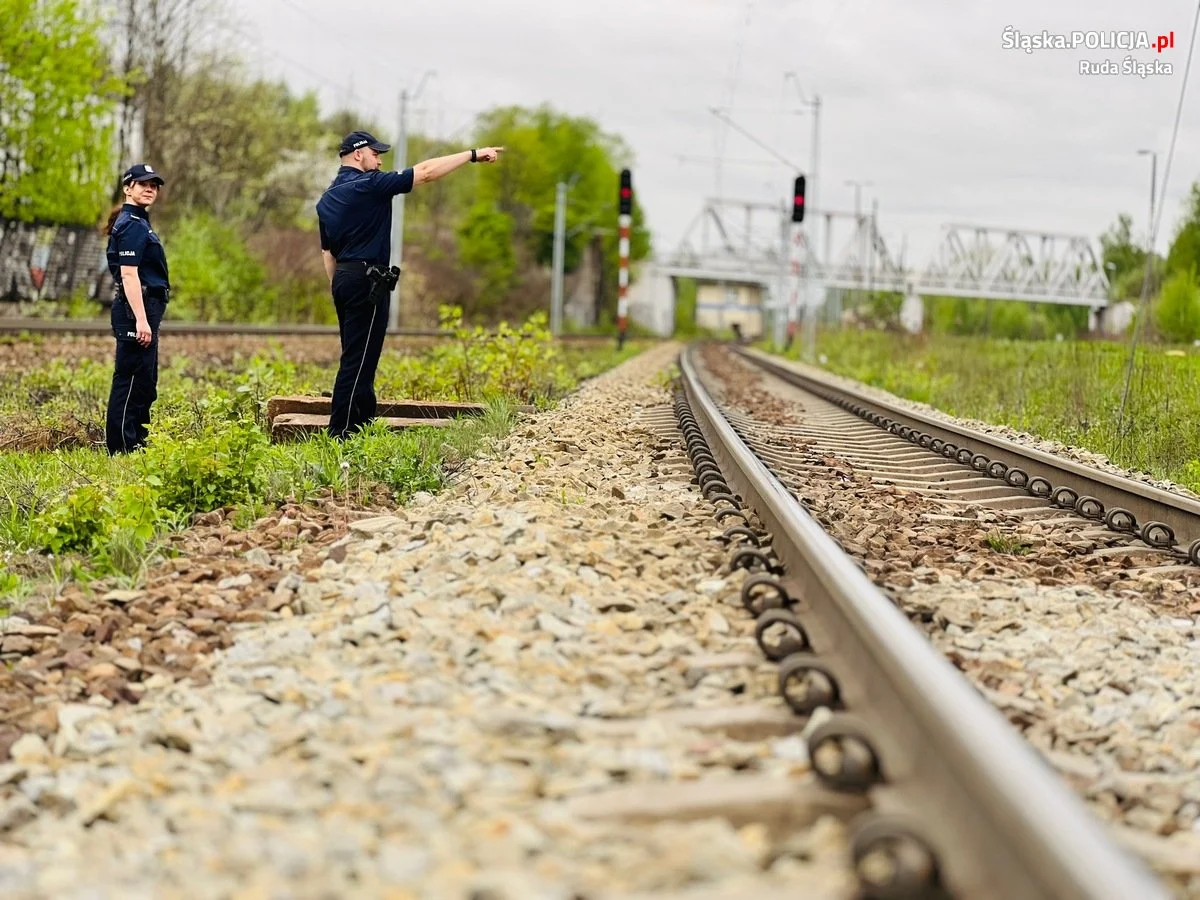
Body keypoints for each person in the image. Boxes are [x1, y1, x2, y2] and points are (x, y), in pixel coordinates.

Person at [316, 131, 504, 440]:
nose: (379, 160)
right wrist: (472, 154)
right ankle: (341, 435)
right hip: (367, 278)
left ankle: (361, 426)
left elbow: (327, 254)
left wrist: (340, 288)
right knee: (359, 359)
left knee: (358, 354)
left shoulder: (327, 199)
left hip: (343, 279)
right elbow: (426, 172)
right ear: (358, 154)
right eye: (376, 154)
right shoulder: (370, 185)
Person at [102, 163, 170, 455]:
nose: (149, 189)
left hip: (144, 308)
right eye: (143, 184)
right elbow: (129, 275)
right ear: (128, 188)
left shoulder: (139, 222)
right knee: (130, 379)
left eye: (153, 185)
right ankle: (121, 448)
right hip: (135, 310)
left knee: (145, 380)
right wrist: (141, 319)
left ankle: (138, 442)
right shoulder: (130, 224)